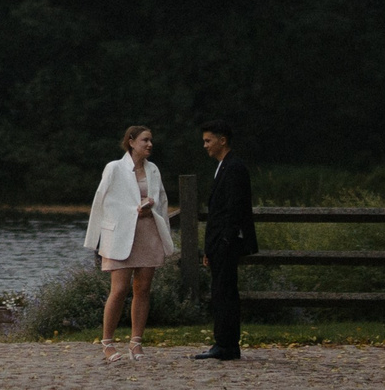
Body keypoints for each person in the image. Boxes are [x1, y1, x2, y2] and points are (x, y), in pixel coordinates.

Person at [80, 125, 173, 362]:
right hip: (120, 235)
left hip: (147, 233)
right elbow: (101, 202)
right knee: (119, 290)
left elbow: (162, 201)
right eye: (145, 140)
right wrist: (94, 239)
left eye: (151, 140)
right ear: (131, 142)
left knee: (142, 289)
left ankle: (136, 342)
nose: (150, 144)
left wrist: (151, 210)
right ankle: (107, 342)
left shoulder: (153, 170)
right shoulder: (114, 168)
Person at [193, 121, 256, 361]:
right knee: (220, 292)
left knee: (225, 292)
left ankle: (227, 344)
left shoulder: (235, 168)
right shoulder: (223, 167)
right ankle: (224, 342)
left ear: (222, 140)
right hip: (219, 242)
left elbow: (234, 209)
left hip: (226, 242)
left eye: (208, 141)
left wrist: (225, 241)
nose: (205, 146)